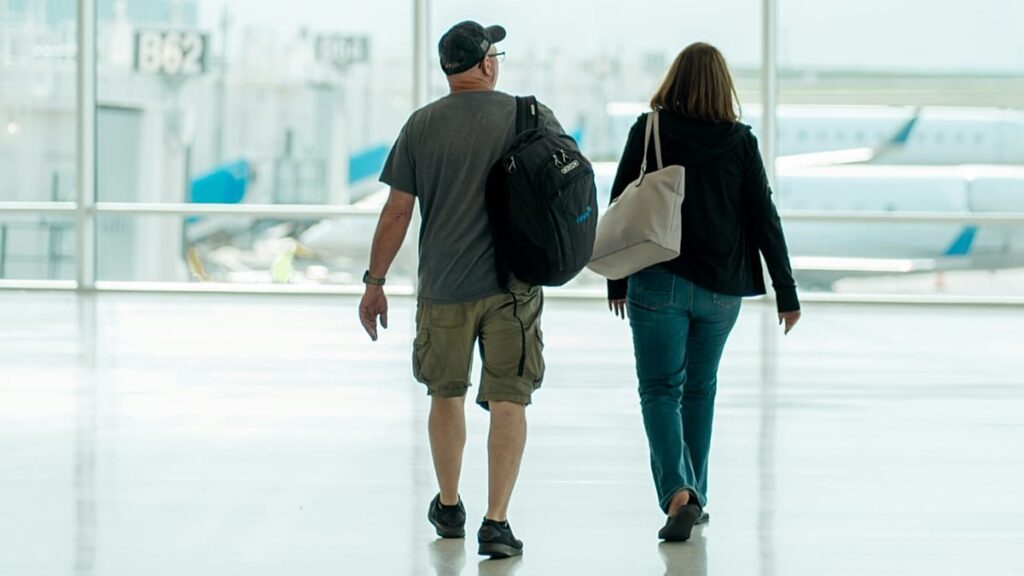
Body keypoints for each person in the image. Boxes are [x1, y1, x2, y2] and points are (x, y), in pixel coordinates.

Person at [358, 20, 567, 559]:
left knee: (444, 394)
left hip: (443, 288)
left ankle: (449, 506)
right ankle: (496, 522)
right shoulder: (529, 115)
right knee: (509, 400)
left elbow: (397, 211)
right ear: (487, 63)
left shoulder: (421, 125)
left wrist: (375, 282)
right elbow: (567, 182)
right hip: (513, 287)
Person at [606, 42, 802, 542]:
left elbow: (621, 204)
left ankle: (679, 493)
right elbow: (764, 215)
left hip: (657, 279)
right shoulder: (740, 142)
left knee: (660, 389)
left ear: (674, 79)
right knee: (700, 388)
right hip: (721, 289)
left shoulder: (650, 129)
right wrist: (786, 290)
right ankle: (695, 495)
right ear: (722, 86)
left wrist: (616, 277)